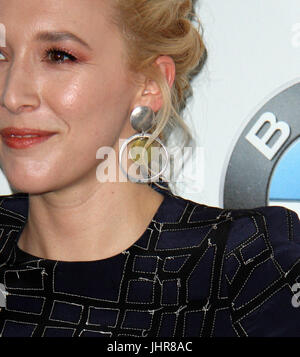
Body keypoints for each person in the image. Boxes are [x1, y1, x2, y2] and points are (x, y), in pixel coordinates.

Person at [0, 0, 298, 338]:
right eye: (0, 56)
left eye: (58, 55)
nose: (12, 95)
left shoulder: (246, 267)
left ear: (149, 85)